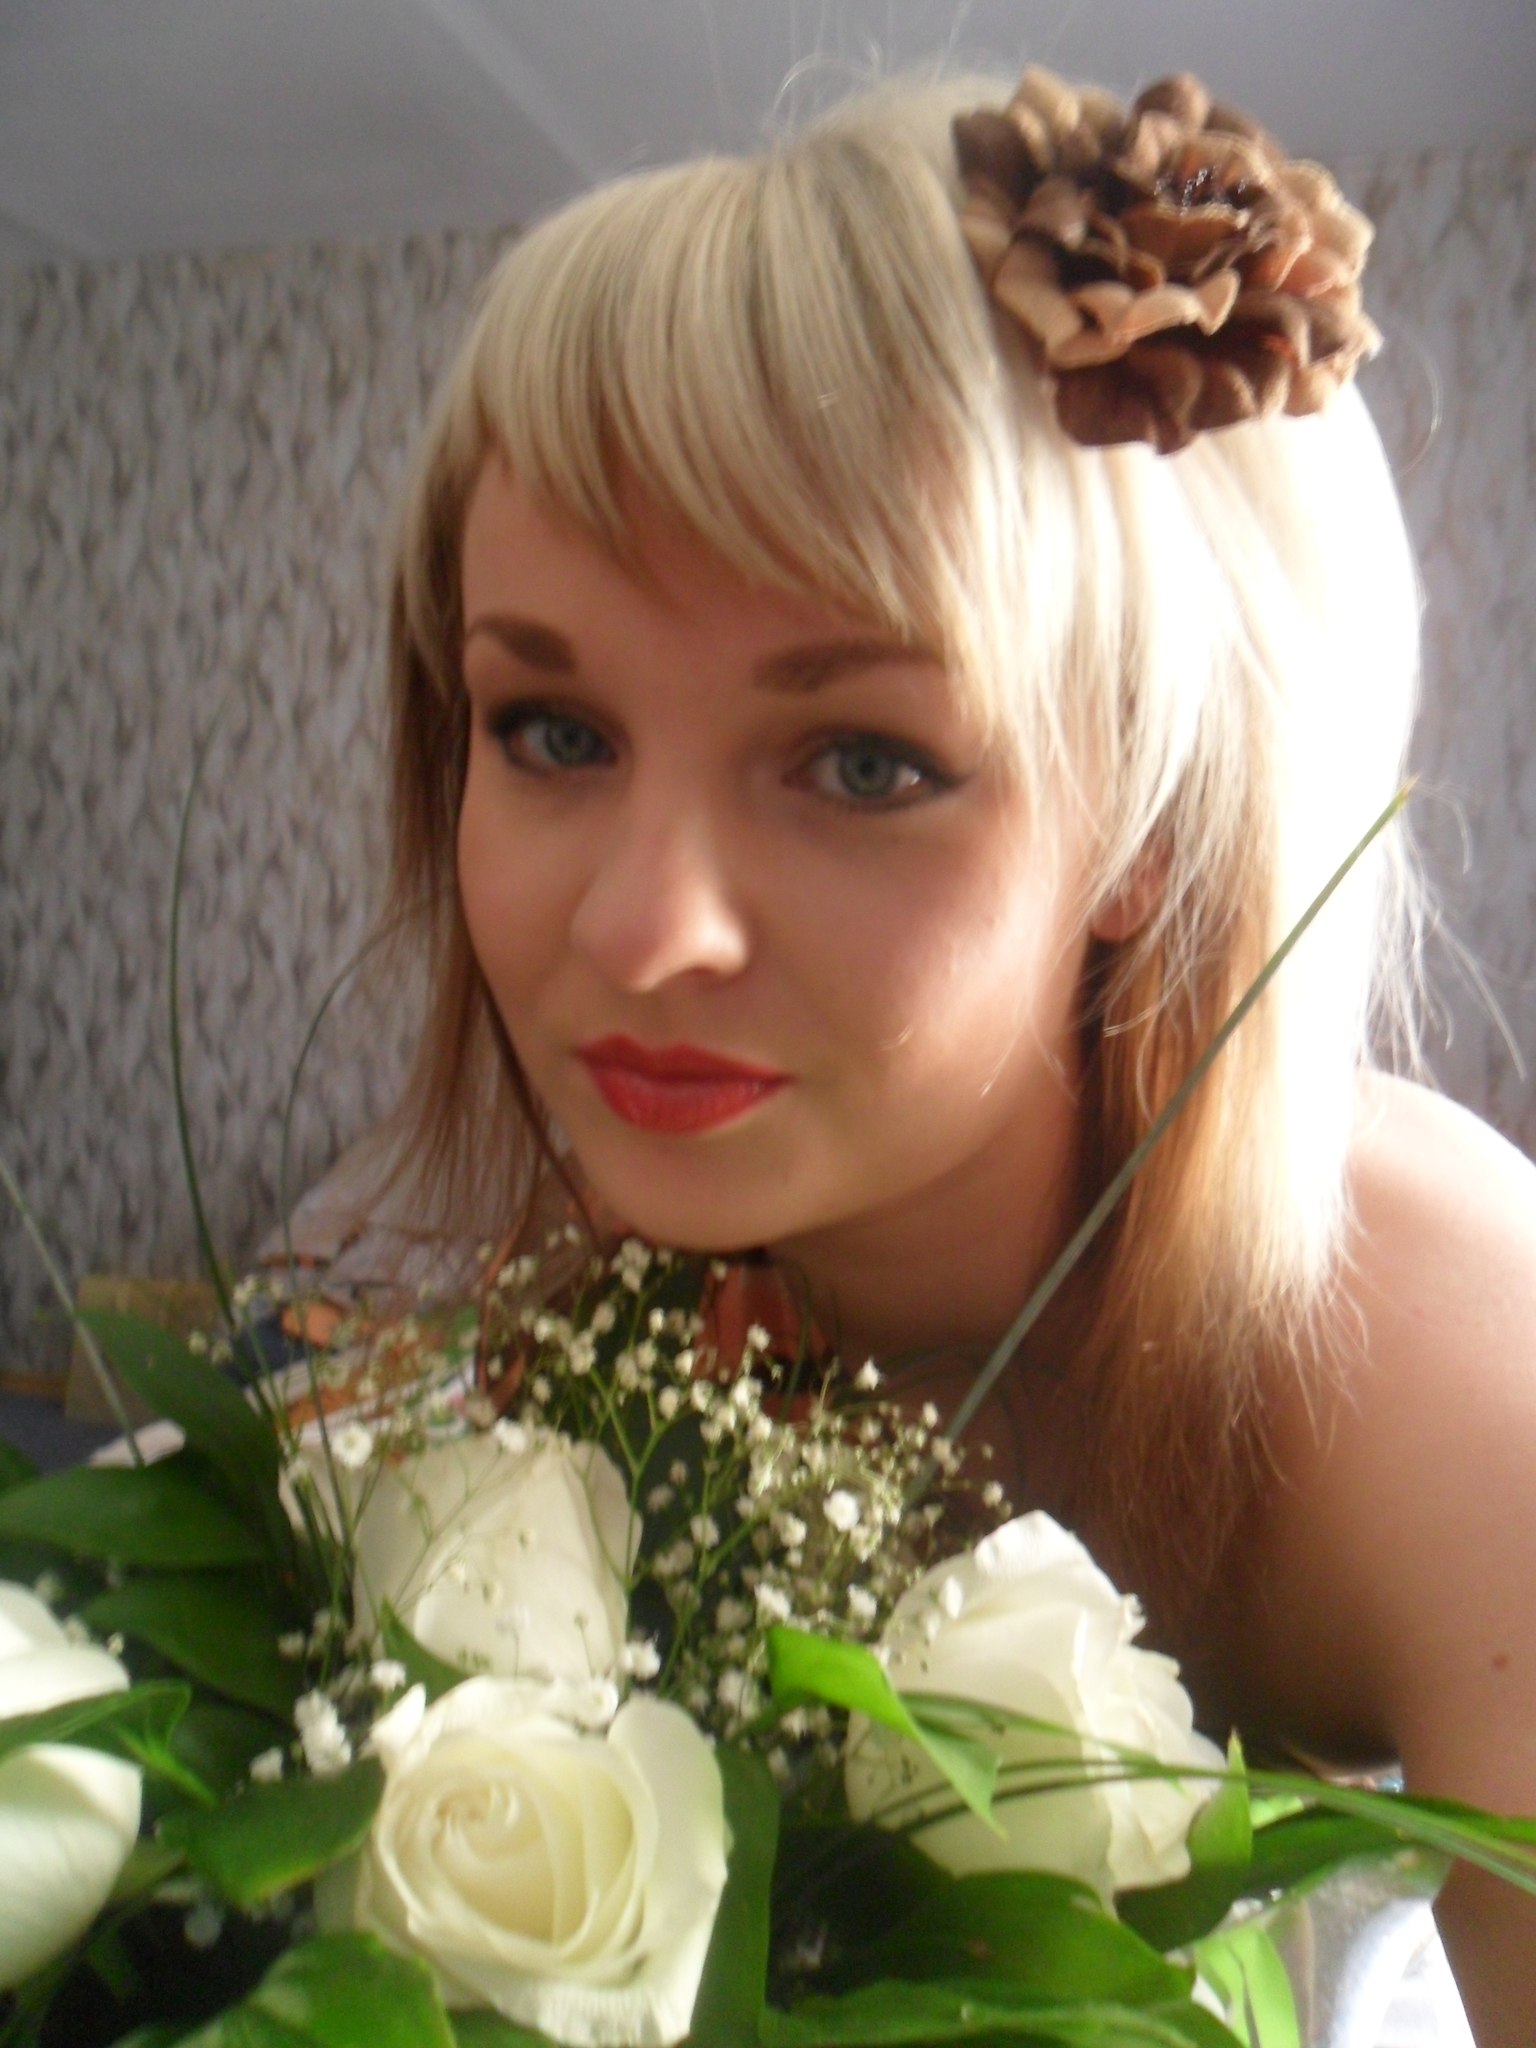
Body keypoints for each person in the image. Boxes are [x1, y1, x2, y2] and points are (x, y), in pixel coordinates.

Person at [376, 62, 1536, 2045]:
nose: (642, 932)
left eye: (864, 762)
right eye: (554, 733)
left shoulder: (1444, 1349)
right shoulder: (641, 1328)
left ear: (1151, 822)